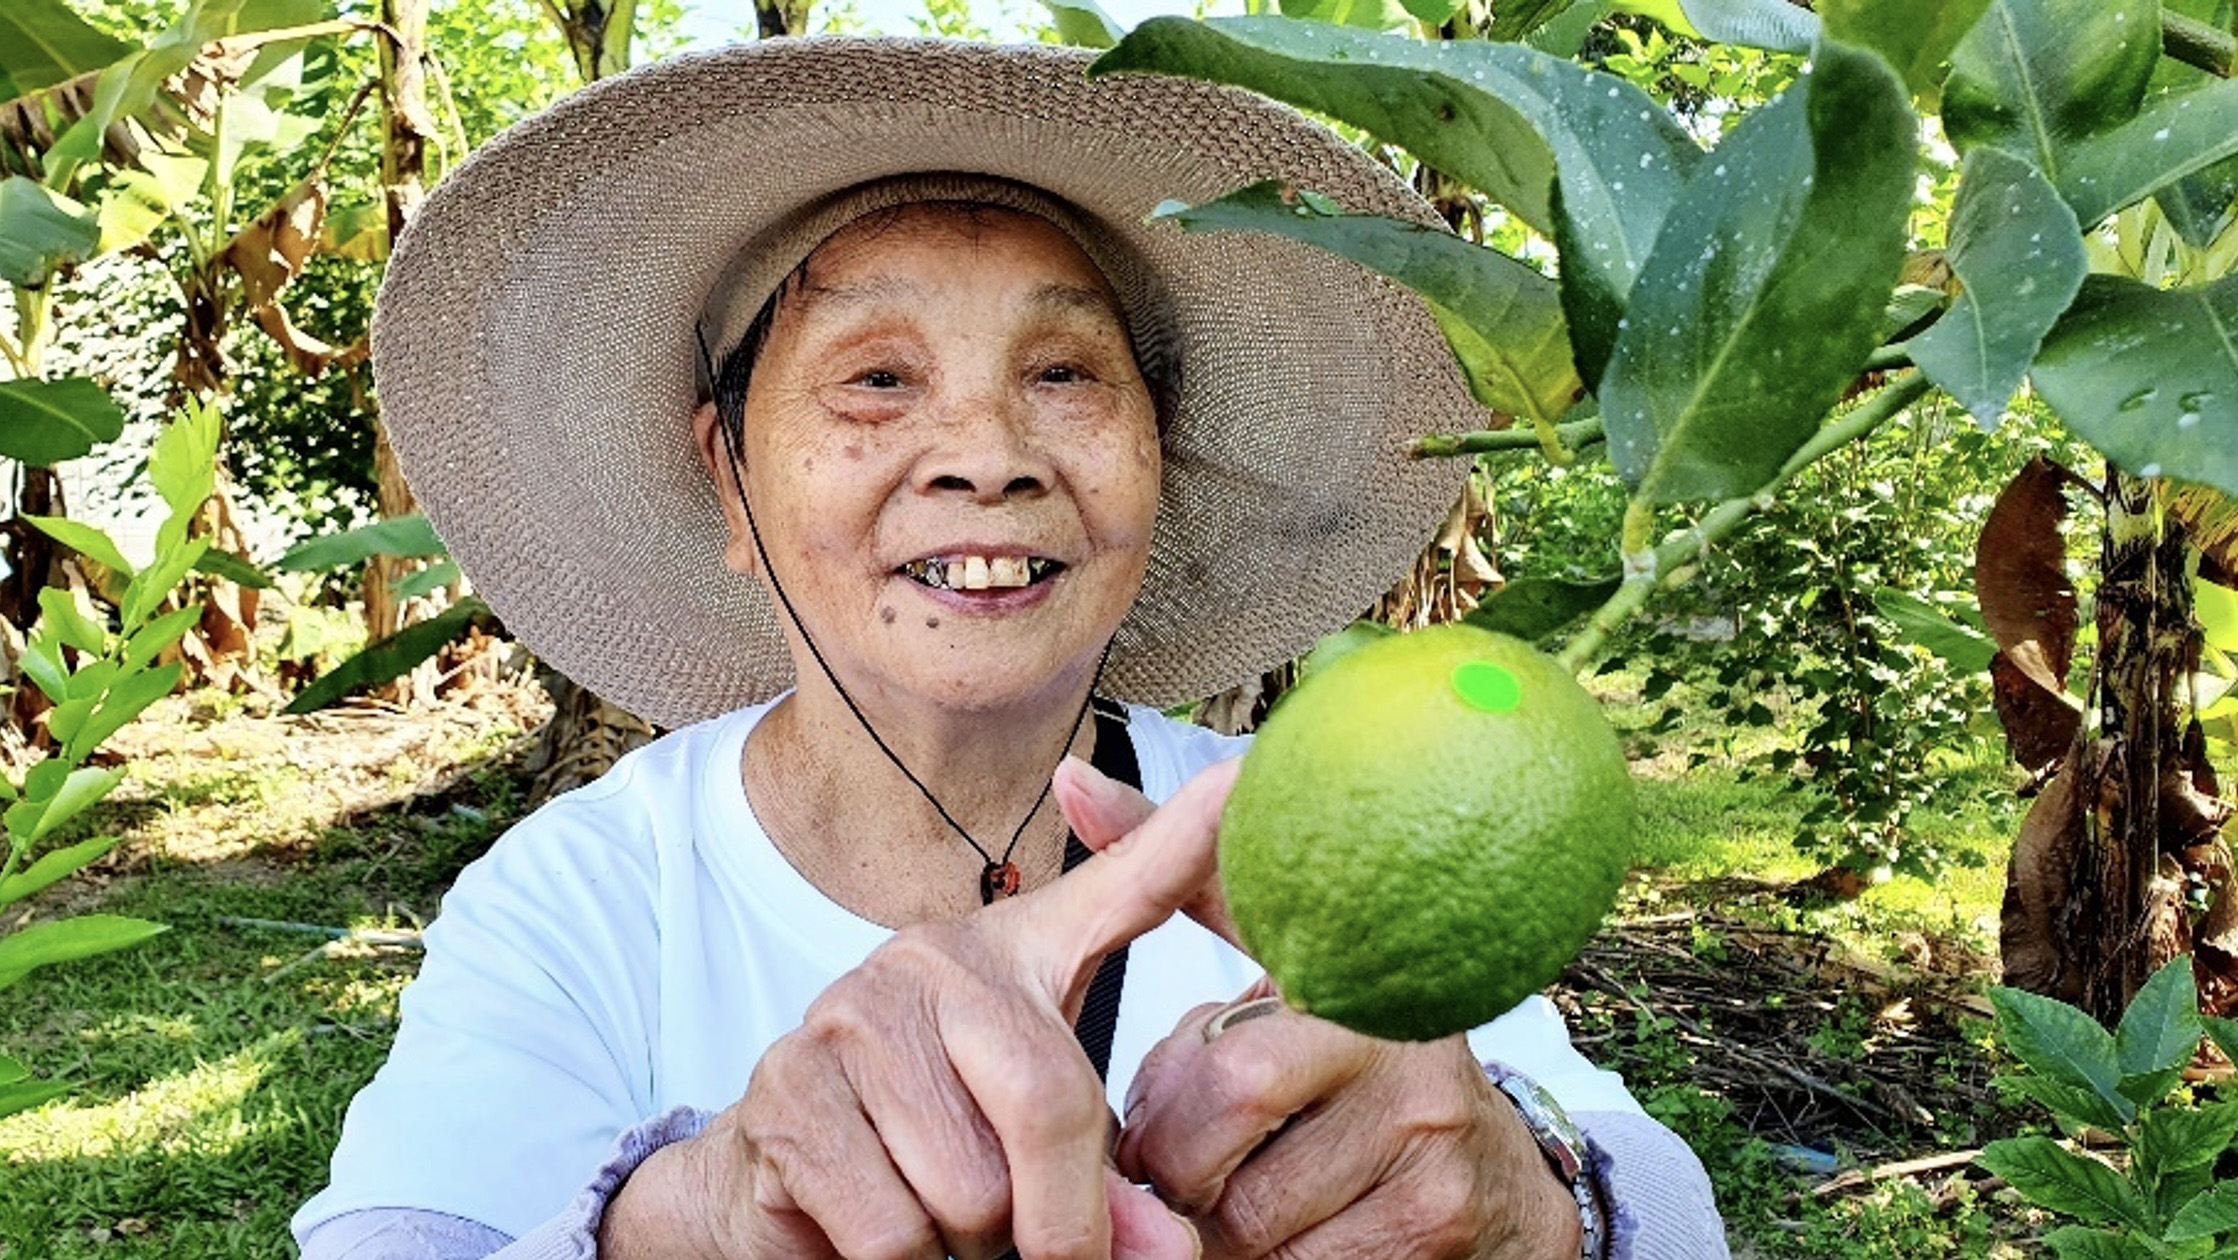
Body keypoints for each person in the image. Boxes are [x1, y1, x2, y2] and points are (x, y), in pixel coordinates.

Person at [291, 34, 1728, 1260]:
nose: (985, 456)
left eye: (1062, 373)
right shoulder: (591, 894)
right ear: (728, 479)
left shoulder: (1297, 817)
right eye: (874, 379)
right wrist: (694, 1211)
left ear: (1157, 465)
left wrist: (1530, 1201)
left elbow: (1658, 1200)